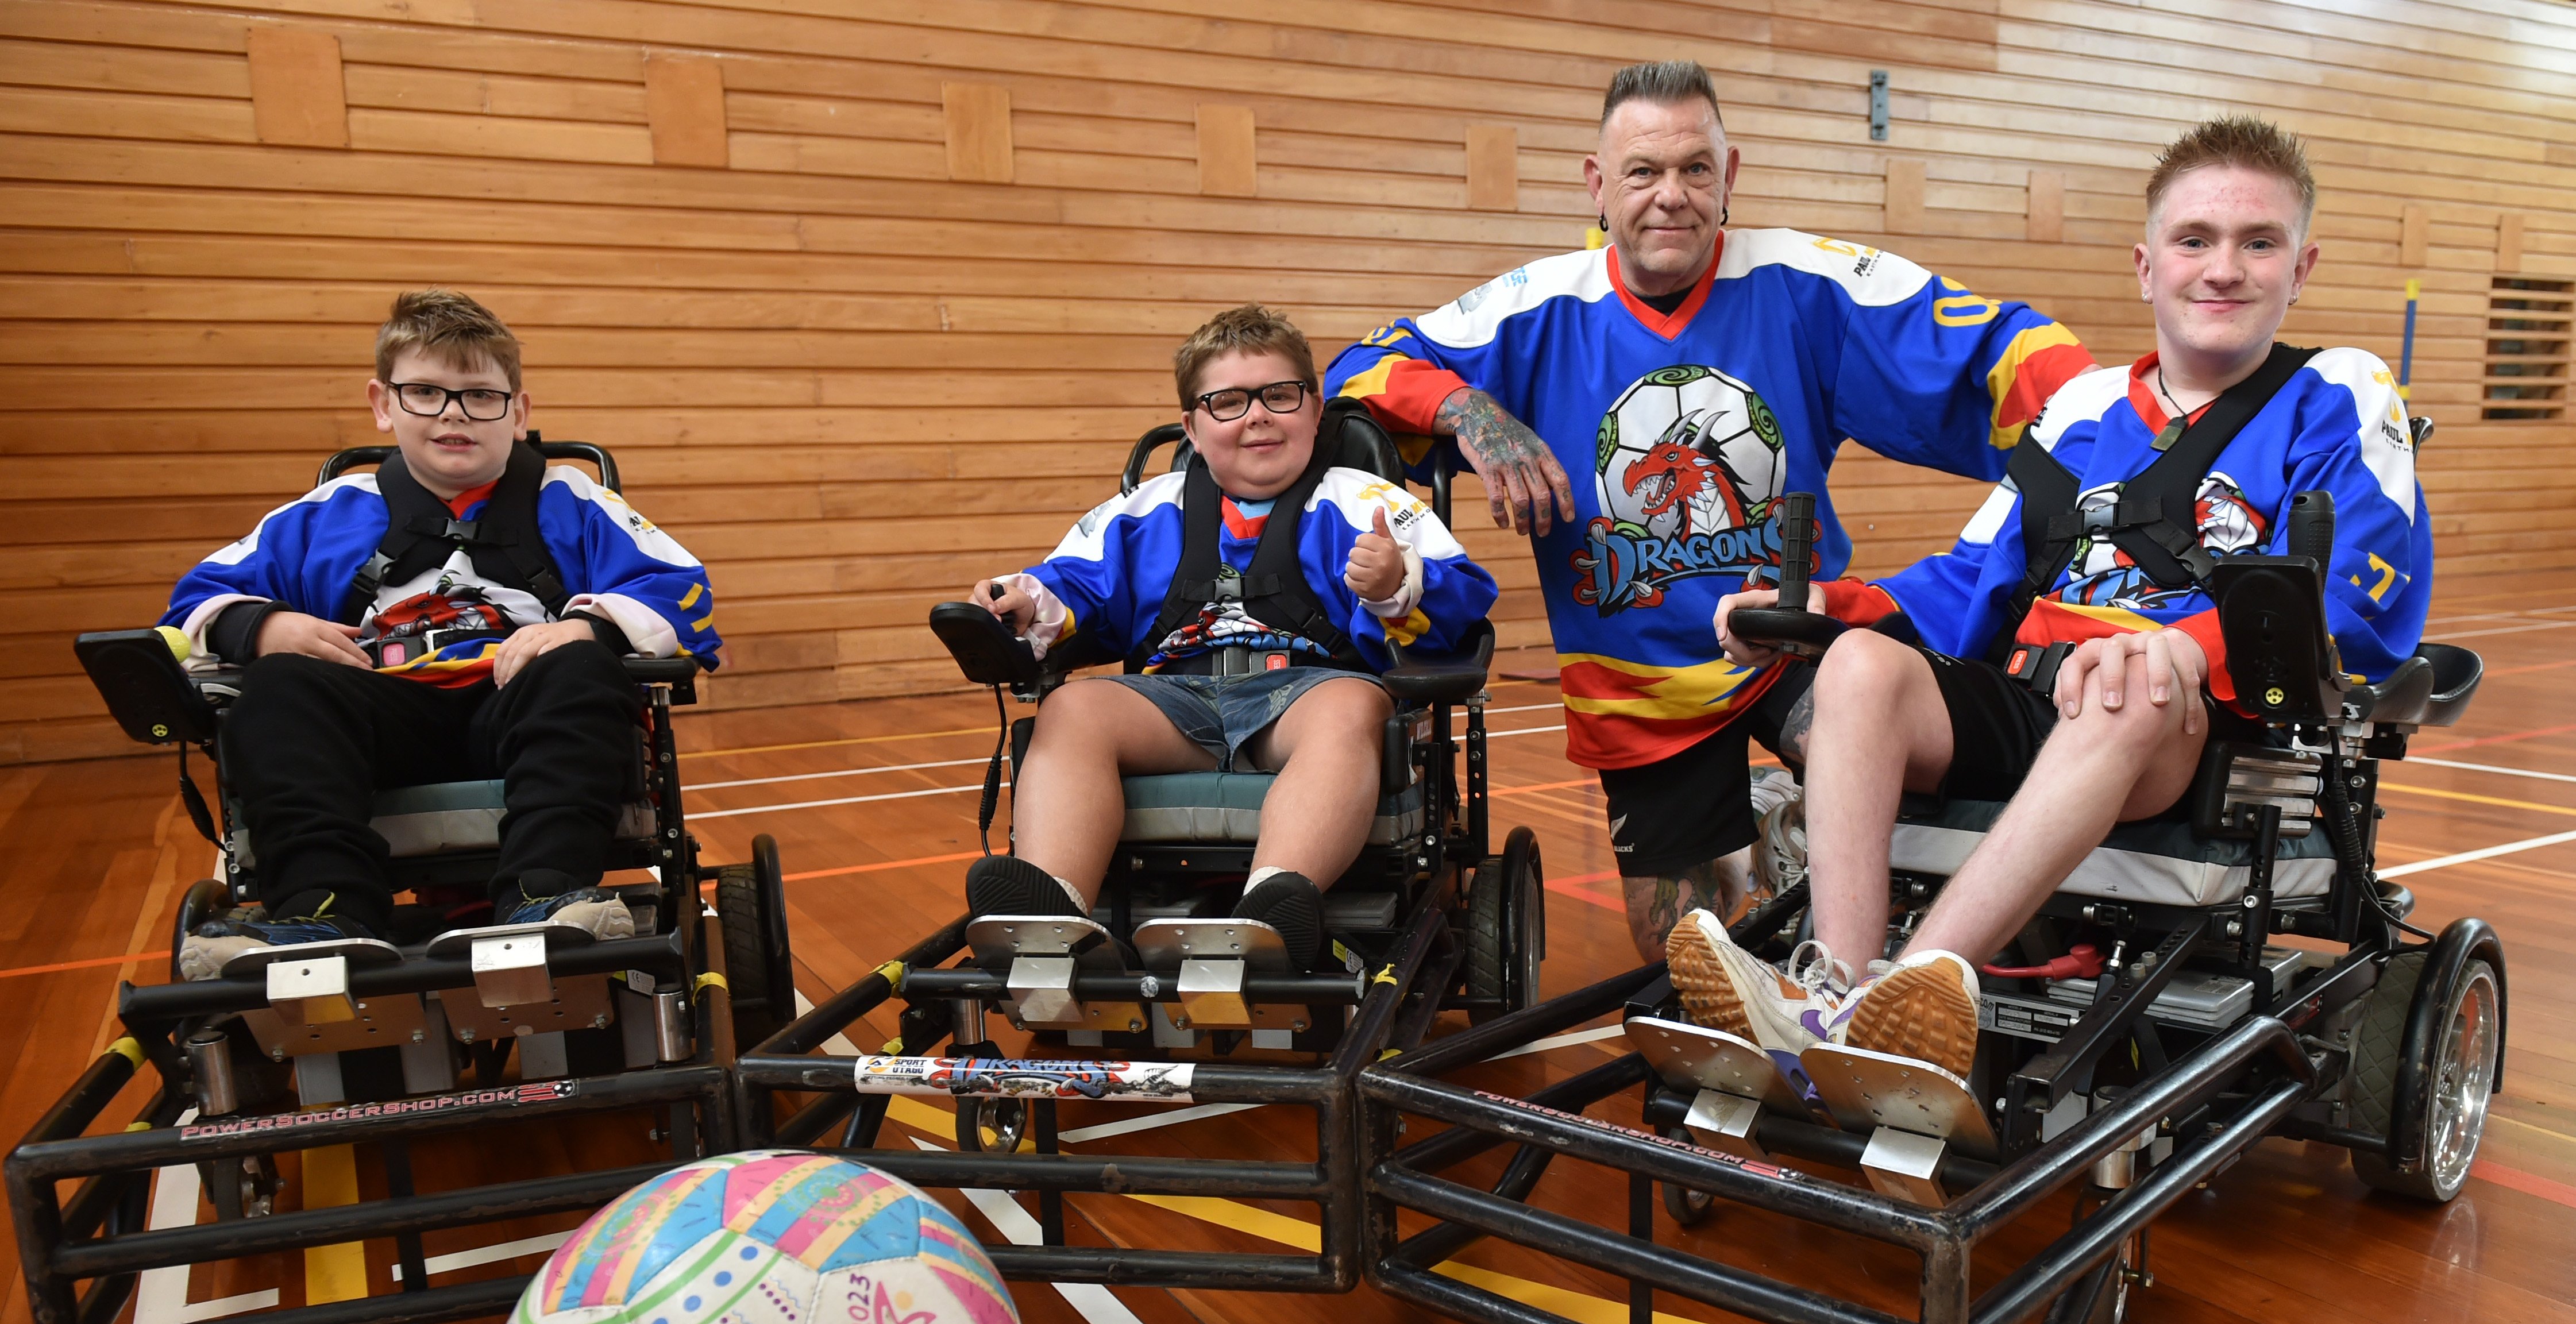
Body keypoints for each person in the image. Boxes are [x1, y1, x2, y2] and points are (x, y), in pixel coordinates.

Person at [1672, 116, 2430, 1079]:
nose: (2222, 268)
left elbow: (2359, 592)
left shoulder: (2335, 392)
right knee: (1860, 666)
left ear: (2300, 266)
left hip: (2188, 735)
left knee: (2127, 683)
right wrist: (1831, 604)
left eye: (2257, 242)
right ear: (2145, 265)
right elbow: (1966, 581)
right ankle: (1833, 982)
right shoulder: (2080, 407)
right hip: (2034, 701)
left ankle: (1907, 994)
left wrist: (2184, 648)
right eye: (2192, 240)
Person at [1324, 59, 2093, 960]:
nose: (1672, 197)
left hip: (1791, 633)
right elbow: (1359, 369)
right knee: (1689, 962)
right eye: (1643, 172)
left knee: (1926, 766)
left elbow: (2010, 351)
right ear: (1598, 185)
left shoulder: (1806, 283)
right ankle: (1771, 838)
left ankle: (1836, 843)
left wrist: (2125, 436)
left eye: (1696, 169)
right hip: (1641, 680)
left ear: (1730, 177)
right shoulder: (1532, 309)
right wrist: (1471, 411)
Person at [168, 288, 721, 978]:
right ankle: (320, 911)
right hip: (378, 725)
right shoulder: (321, 517)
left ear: (518, 412)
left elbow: (684, 591)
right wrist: (264, 624)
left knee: (580, 668)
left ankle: (544, 898)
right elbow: (194, 603)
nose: (454, 414)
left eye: (480, 396)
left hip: (519, 706)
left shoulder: (573, 498)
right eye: (425, 392)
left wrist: (589, 628)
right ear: (382, 403)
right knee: (279, 687)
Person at [964, 304, 1496, 970]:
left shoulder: (1366, 501)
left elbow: (1465, 598)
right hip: (1176, 702)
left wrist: (1396, 580)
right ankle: (1055, 918)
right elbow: (1073, 584)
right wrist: (1020, 602)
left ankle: (1272, 909)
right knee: (1072, 708)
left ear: (1314, 406)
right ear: (1191, 424)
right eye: (1227, 402)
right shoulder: (1145, 511)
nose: (1257, 416)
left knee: (1352, 708)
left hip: (1303, 696)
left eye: (1279, 395)